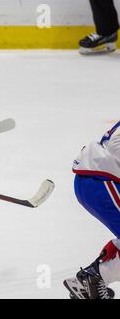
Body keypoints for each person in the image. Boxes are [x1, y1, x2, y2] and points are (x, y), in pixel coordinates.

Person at [63, 120, 120, 299]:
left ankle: (87, 283)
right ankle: (95, 278)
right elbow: (115, 145)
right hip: (99, 182)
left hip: (96, 182)